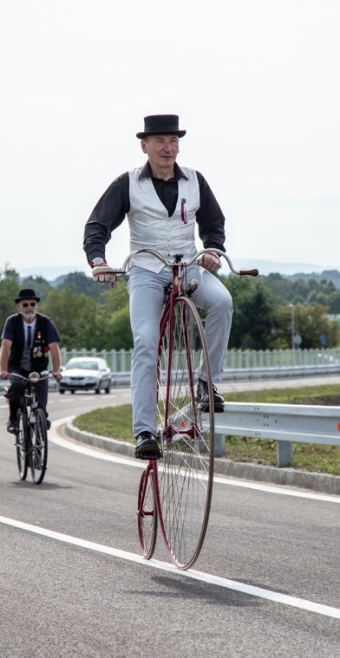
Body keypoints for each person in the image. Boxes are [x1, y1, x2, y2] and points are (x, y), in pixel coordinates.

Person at [83, 114, 233, 459]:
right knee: (147, 341)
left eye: (174, 141)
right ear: (145, 146)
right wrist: (99, 262)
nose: (169, 148)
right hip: (147, 270)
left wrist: (212, 250)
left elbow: (214, 225)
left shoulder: (195, 181)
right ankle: (145, 431)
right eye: (161, 141)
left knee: (222, 302)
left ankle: (206, 385)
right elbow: (97, 227)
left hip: (189, 267)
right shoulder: (128, 183)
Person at [0, 288, 62, 434]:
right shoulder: (12, 322)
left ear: (36, 306)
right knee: (18, 384)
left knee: (41, 396)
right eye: (25, 304)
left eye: (32, 304)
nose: (29, 308)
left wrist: (56, 370)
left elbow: (54, 349)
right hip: (17, 366)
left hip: (39, 367)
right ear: (19, 307)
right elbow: (5, 347)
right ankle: (13, 418)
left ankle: (42, 416)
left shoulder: (45, 322)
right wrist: (4, 370)